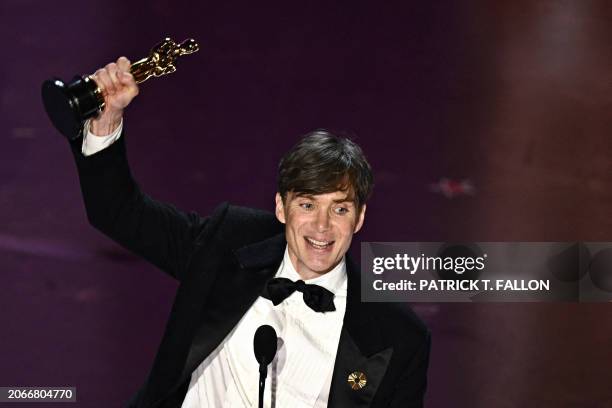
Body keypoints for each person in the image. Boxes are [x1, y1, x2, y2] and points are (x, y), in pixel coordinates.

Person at [69, 57, 430, 408]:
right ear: (280, 207)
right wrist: (106, 121)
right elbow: (119, 213)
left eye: (339, 209)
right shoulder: (228, 244)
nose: (322, 226)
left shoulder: (398, 336)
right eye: (307, 205)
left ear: (360, 217)